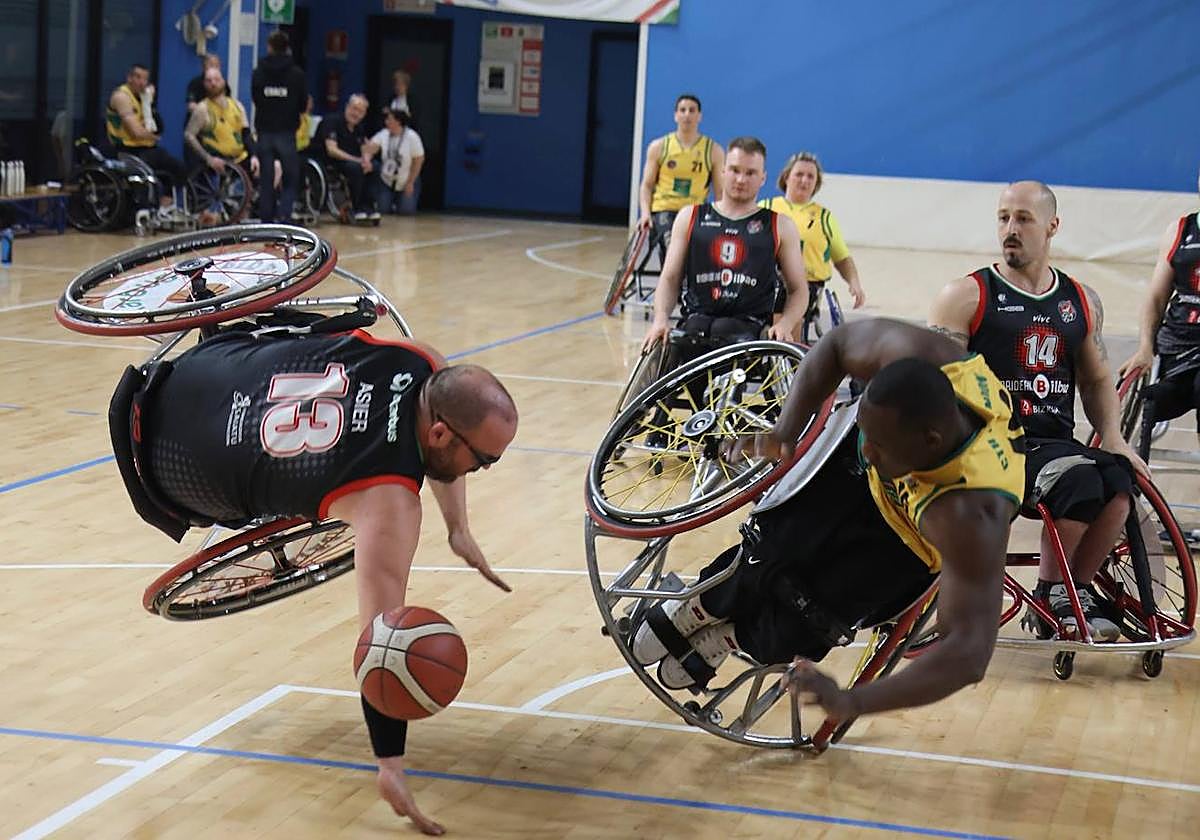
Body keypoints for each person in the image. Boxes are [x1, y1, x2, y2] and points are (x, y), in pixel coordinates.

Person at [111, 325, 518, 836]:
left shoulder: (418, 358)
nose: (483, 469)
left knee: (330, 336)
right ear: (439, 434)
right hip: (171, 475)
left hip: (181, 375)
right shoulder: (390, 503)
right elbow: (381, 641)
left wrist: (458, 528)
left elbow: (444, 417)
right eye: (484, 460)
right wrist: (389, 763)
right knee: (319, 489)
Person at [633, 318, 1025, 722]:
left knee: (807, 626)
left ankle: (728, 638)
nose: (869, 450)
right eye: (868, 433)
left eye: (879, 444)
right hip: (868, 477)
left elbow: (968, 654)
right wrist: (783, 432)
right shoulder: (920, 357)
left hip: (909, 543)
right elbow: (836, 345)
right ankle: (699, 606)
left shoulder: (970, 516)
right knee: (767, 551)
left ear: (931, 440)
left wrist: (853, 702)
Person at [928, 180, 1147, 642]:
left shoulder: (1080, 300)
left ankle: (1071, 589)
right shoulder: (966, 295)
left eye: (1023, 219)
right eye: (1003, 217)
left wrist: (1113, 436)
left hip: (1053, 445)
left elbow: (1096, 379)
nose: (1010, 228)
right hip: (992, 447)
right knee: (1079, 480)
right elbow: (937, 386)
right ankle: (1053, 591)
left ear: (1052, 226)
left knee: (1120, 480)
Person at [642, 136, 808, 353]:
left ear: (763, 178)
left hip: (749, 328)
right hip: (696, 322)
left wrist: (785, 324)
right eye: (734, 170)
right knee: (690, 332)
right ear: (722, 171)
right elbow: (670, 278)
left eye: (750, 173)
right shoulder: (690, 217)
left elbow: (799, 289)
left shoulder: (780, 225)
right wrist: (660, 319)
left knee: (726, 328)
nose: (741, 179)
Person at [1117, 169, 1200, 449]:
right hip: (1175, 354)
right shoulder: (1180, 230)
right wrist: (1144, 348)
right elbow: (1155, 297)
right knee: (1151, 399)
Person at [759, 151, 866, 311]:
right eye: (799, 174)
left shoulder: (824, 217)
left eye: (810, 177)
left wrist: (854, 282)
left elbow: (842, 258)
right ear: (786, 177)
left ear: (816, 184)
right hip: (768, 286)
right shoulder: (766, 208)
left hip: (808, 289)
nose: (804, 180)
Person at [636, 94, 725, 257]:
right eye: (682, 110)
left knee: (695, 251)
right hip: (664, 209)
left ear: (699, 116)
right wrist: (645, 213)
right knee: (673, 245)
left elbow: (720, 192)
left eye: (692, 110)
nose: (687, 115)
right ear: (675, 115)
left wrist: (724, 218)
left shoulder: (713, 150)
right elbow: (647, 185)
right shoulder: (659, 147)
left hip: (695, 210)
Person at [184, 66, 261, 226]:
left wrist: (254, 156)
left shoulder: (237, 106)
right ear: (204, 84)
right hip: (218, 158)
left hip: (240, 157)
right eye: (209, 80)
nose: (213, 83)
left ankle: (258, 212)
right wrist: (208, 158)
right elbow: (189, 135)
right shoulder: (202, 109)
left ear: (223, 82)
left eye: (216, 79)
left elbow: (246, 133)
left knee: (270, 167)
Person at [105, 64, 188, 209]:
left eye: (145, 79)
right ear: (129, 78)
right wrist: (152, 136)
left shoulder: (144, 99)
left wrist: (148, 102)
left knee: (179, 168)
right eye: (138, 78)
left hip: (147, 148)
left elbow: (158, 128)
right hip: (126, 150)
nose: (142, 82)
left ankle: (165, 205)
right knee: (148, 174)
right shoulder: (121, 96)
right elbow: (136, 132)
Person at [251, 30, 307, 223]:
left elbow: (256, 98)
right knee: (291, 177)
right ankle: (284, 216)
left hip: (265, 131)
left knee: (266, 180)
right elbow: (303, 104)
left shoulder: (259, 72)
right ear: (287, 48)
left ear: (269, 47)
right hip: (287, 131)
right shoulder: (297, 74)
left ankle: (266, 221)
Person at [318, 93, 380, 222]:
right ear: (347, 107)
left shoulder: (358, 128)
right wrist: (357, 160)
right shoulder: (332, 121)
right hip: (330, 161)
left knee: (374, 166)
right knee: (355, 168)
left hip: (351, 161)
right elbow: (332, 150)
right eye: (354, 109)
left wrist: (367, 160)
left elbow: (365, 148)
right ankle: (356, 208)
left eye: (360, 111)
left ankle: (368, 207)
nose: (356, 113)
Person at [365, 107, 424, 215]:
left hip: (406, 179)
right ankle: (389, 202)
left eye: (389, 119)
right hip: (386, 180)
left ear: (398, 122)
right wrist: (367, 160)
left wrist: (410, 182)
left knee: (406, 212)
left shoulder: (412, 137)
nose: (386, 122)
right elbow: (371, 149)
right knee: (383, 210)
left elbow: (418, 160)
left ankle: (399, 202)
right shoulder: (383, 134)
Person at [184, 54, 230, 130]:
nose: (214, 68)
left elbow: (228, 104)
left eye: (217, 65)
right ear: (203, 67)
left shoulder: (223, 84)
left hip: (218, 126)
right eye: (211, 65)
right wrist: (208, 116)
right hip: (197, 125)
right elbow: (191, 106)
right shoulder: (195, 83)